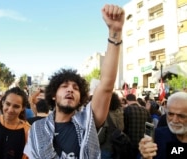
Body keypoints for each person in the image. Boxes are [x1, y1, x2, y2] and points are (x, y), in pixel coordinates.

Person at [24, 4, 124, 158]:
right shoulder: (37, 129)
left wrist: (115, 33)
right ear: (53, 95)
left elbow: (106, 86)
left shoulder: (88, 122)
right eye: (64, 86)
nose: (70, 89)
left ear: (80, 99)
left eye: (76, 88)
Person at [139, 91, 187, 159]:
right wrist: (144, 156)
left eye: (181, 116)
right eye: (170, 114)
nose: (174, 120)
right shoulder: (156, 135)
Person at [123, 93, 152, 159]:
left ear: (127, 101)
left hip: (130, 144)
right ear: (135, 99)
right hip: (143, 144)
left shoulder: (126, 110)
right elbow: (150, 127)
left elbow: (123, 127)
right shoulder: (145, 110)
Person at [98, 92, 124, 159]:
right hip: (119, 146)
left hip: (107, 147)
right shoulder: (120, 112)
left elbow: (102, 134)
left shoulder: (105, 114)